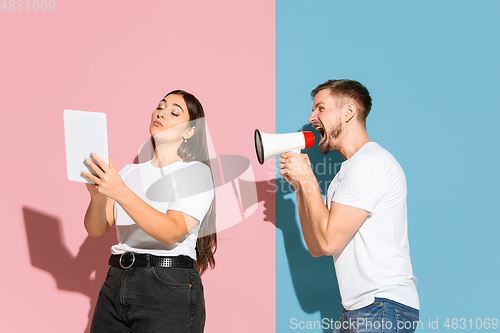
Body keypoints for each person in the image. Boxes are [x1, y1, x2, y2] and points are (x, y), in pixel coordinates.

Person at [279, 80, 419, 332]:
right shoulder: (347, 173)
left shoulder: (370, 164)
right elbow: (317, 246)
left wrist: (309, 178)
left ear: (348, 112)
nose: (312, 117)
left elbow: (329, 242)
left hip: (380, 306)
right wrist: (300, 186)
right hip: (361, 309)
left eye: (320, 108)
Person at [82, 90, 216, 332]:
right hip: (116, 281)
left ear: (190, 131)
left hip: (167, 287)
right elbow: (96, 228)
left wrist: (119, 191)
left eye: (174, 112)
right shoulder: (127, 173)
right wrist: (98, 197)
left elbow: (171, 231)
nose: (162, 113)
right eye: (160, 106)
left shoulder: (195, 173)